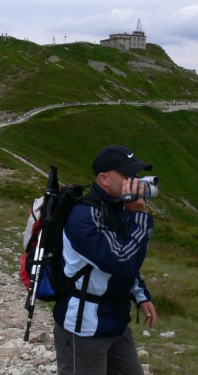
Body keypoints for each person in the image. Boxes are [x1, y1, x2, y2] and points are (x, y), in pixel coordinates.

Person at [53, 145, 158, 375]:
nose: (135, 180)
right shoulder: (84, 217)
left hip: (115, 320)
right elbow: (121, 261)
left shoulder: (119, 206)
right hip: (84, 327)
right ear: (104, 179)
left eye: (136, 174)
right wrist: (139, 216)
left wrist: (141, 296)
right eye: (127, 175)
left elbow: (130, 258)